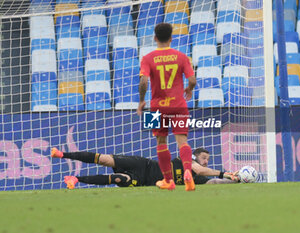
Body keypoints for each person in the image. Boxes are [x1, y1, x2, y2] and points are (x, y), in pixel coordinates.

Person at [137, 23, 197, 191]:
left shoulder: (147, 58)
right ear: (171, 39)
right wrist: (189, 89)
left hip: (156, 108)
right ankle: (187, 172)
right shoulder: (182, 56)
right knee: (182, 141)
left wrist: (142, 100)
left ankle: (168, 181)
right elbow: (192, 80)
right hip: (179, 106)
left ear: (155, 38)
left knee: (160, 142)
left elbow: (143, 81)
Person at [51, 147, 239, 189]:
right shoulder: (186, 159)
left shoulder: (200, 180)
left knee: (118, 179)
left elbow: (212, 179)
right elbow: (199, 169)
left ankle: (76, 179)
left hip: (143, 181)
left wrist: (230, 179)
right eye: (204, 158)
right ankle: (62, 154)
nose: (206, 162)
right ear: (195, 156)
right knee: (104, 159)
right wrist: (225, 172)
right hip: (143, 164)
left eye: (208, 159)